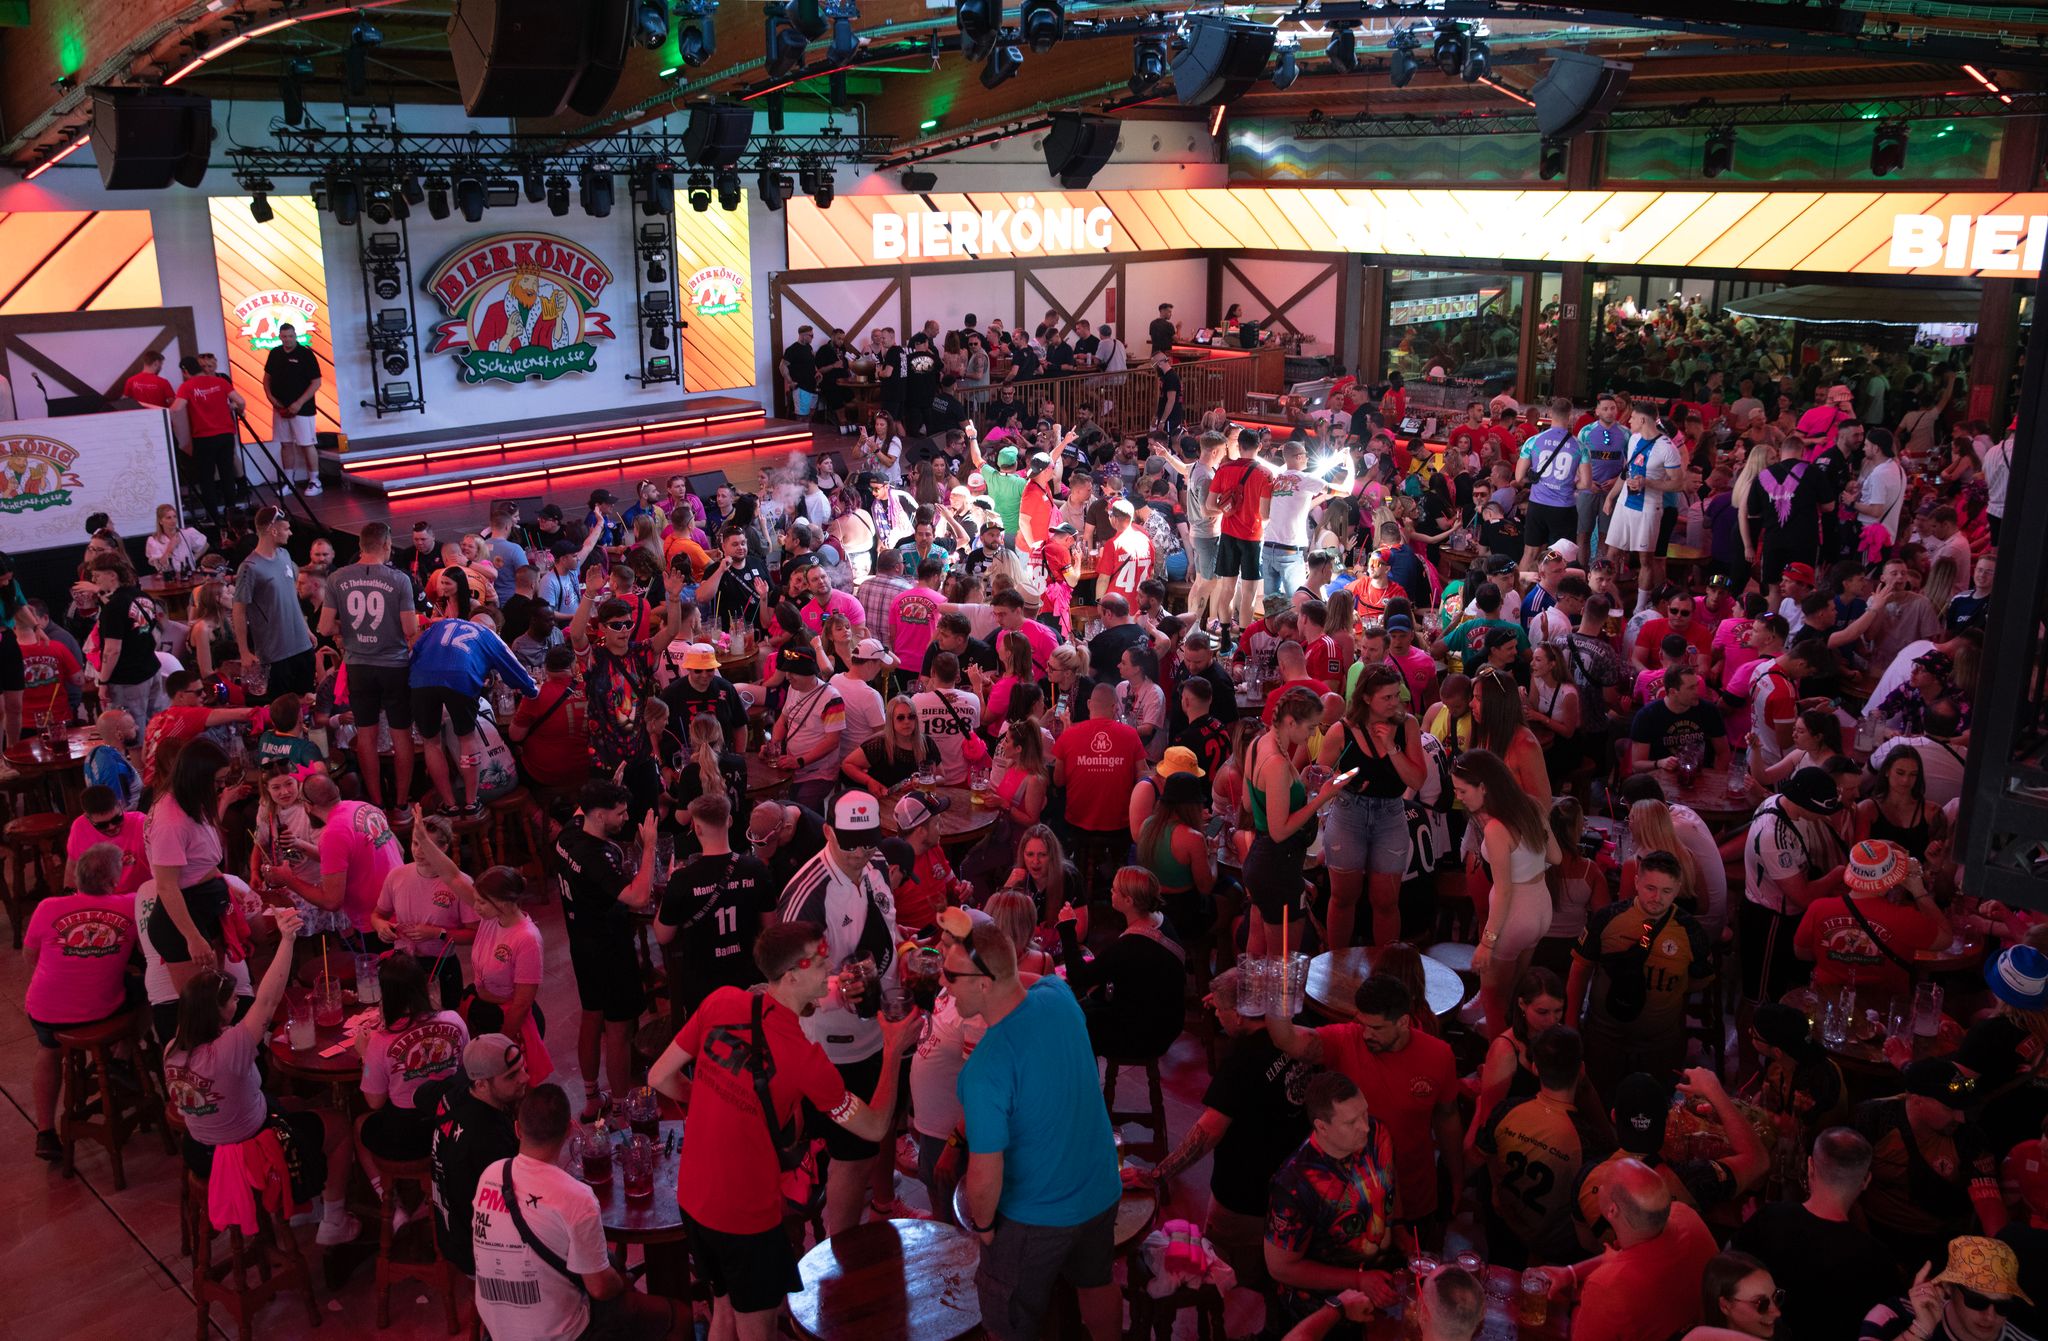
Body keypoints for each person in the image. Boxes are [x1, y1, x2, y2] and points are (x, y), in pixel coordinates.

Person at [649, 921, 918, 1341]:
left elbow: (660, 1076)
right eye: (820, 958)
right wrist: (893, 1049)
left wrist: (707, 1100)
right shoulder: (804, 1059)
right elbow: (876, 1126)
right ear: (792, 975)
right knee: (757, 1329)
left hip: (695, 1198)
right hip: (744, 1217)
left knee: (724, 1311)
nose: (831, 964)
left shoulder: (721, 1002)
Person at [945, 916, 1123, 1341]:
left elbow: (984, 1175)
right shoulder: (1058, 994)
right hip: (1100, 1191)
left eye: (951, 976)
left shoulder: (986, 1068)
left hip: (1036, 1218)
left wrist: (985, 1227)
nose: (944, 984)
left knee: (1007, 1317)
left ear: (984, 984)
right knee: (1097, 1282)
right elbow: (1023, 979)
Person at [166, 906, 364, 1246]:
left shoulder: (173, 1048)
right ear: (217, 1012)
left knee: (296, 1103)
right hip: (248, 1150)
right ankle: (334, 1220)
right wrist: (288, 939)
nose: (237, 1006)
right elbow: (269, 1000)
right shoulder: (228, 1049)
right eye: (230, 1002)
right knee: (339, 1127)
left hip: (199, 1150)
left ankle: (304, 1203)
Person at [1124, 965, 1311, 1291]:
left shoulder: (1241, 1064)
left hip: (1245, 1197)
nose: (1216, 1017)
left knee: (1236, 1274)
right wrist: (1228, 997)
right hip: (1293, 1179)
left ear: (1240, 1015)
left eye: (1222, 1011)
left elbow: (1208, 1131)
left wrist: (1156, 1175)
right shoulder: (1296, 1034)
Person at [774, 791, 903, 1236]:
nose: (862, 853)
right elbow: (782, 982)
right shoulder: (807, 893)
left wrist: (894, 994)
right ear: (827, 832)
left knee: (869, 1143)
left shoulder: (877, 866)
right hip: (826, 1049)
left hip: (873, 1035)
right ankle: (835, 1255)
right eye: (851, 843)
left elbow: (888, 930)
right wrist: (838, 989)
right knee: (850, 1158)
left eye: (869, 842)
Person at [470, 1083, 676, 1341]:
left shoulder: (491, 1174)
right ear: (569, 1130)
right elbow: (600, 1289)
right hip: (563, 1335)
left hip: (496, 1331)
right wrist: (622, 1282)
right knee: (677, 1316)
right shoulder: (576, 1197)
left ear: (517, 1130)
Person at [1266, 973, 1462, 1239]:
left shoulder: (1439, 1055)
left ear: (1403, 1022)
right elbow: (1286, 1040)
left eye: (1377, 1028)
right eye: (1362, 1024)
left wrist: (1457, 1175)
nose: (1366, 1034)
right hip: (1351, 1201)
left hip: (1415, 1190)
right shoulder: (1345, 1039)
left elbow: (1447, 1118)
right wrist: (1277, 992)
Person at [24, 843, 140, 1161]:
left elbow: (29, 957)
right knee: (143, 991)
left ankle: (45, 1132)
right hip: (101, 1013)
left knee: (48, 1050)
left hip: (46, 1009)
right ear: (112, 881)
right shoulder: (130, 906)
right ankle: (119, 1058)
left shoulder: (47, 907)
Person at [1568, 849, 1712, 1097]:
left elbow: (1698, 981)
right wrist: (1571, 1027)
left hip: (1658, 1048)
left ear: (1678, 889)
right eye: (1650, 888)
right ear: (1636, 882)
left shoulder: (1691, 932)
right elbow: (1580, 971)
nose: (1657, 898)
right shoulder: (1608, 919)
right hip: (1604, 1040)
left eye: (1666, 891)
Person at [1265, 1070, 1402, 1329]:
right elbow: (1280, 1268)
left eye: (1364, 1112)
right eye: (1351, 1122)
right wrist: (1359, 1280)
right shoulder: (1294, 1184)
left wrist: (1401, 1225)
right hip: (1323, 1308)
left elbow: (1390, 1181)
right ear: (1322, 1127)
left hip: (1378, 1284)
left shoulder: (1378, 1132)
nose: (1365, 1126)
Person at [554, 780, 659, 1120]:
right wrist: (649, 849)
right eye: (620, 813)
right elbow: (639, 897)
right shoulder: (594, 857)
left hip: (581, 943)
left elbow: (583, 806)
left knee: (591, 1014)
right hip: (609, 948)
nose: (626, 819)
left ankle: (590, 1096)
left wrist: (611, 784)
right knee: (618, 1028)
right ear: (598, 816)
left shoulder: (569, 833)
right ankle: (619, 1106)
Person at [1734, 1126, 1896, 1341]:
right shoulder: (1879, 1260)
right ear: (1866, 1180)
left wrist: (1755, 1223)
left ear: (1810, 1166)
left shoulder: (1769, 1219)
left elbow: (1727, 1273)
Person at [1474, 1023, 1611, 1266]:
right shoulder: (1588, 1140)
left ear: (1536, 1068)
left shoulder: (1507, 1109)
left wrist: (1496, 1190)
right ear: (1581, 1070)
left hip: (1505, 1228)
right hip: (1555, 1251)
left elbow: (1487, 1152)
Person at [1855, 1060, 2008, 1271]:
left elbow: (1991, 1208)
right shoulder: (1873, 1119)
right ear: (1917, 1101)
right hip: (1870, 1229)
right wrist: (1862, 1239)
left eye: (1962, 1108)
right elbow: (1842, 1181)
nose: (1961, 1118)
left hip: (1932, 1244)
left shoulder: (1969, 1138)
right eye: (1950, 1108)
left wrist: (2001, 1262)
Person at [1454, 747, 1560, 1038]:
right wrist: (1529, 862)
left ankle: (1497, 1059)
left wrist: (1487, 943)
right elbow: (1556, 857)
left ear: (1484, 787)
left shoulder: (1496, 829)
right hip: (1541, 910)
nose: (1459, 797)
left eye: (1463, 791)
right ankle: (1512, 1040)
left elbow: (1503, 890)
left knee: (1494, 999)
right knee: (1514, 990)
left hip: (1514, 916)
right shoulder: (1533, 805)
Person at [1559, 1157, 1719, 1341]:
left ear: (1612, 1210)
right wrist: (1570, 1273)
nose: (1599, 1187)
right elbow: (1625, 1258)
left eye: (1602, 1184)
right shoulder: (1685, 1215)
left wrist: (1578, 1305)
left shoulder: (1605, 1288)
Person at [409, 591, 538, 816]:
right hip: (461, 677)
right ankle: (471, 802)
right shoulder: (489, 636)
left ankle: (449, 803)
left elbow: (412, 654)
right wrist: (533, 691)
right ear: (495, 629)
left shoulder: (441, 625)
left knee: (432, 743)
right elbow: (516, 671)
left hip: (421, 680)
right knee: (466, 738)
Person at [320, 522, 420, 809]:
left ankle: (375, 801)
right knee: (401, 733)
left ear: (360, 546)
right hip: (394, 665)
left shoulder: (337, 578)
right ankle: (401, 804)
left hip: (358, 666)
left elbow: (325, 627)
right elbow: (410, 628)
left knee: (366, 732)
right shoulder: (399, 580)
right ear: (387, 545)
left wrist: (349, 625)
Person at [1246, 686, 1350, 957]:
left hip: (1261, 858)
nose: (1314, 734)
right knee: (1283, 962)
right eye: (1312, 727)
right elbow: (1279, 831)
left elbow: (1249, 803)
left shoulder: (1258, 744)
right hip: (1278, 863)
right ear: (1291, 722)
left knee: (1259, 952)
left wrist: (1297, 785)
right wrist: (1320, 798)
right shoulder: (1277, 763)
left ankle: (1256, 999)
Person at [354, 954, 468, 1195]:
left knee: (358, 1123)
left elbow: (374, 1102)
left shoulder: (379, 1042)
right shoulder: (455, 1020)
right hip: (453, 1123)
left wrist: (364, 1055)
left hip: (408, 1135)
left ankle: (387, 1197)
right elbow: (465, 1069)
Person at [655, 793, 772, 1017]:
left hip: (702, 986)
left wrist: (671, 886)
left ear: (696, 828)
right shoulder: (756, 869)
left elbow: (662, 936)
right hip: (749, 980)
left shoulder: (682, 880)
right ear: (729, 821)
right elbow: (770, 928)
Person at [1740, 767, 1847, 1008]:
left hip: (1785, 919)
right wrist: (1838, 874)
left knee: (1781, 994)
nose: (1825, 816)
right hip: (1769, 922)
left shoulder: (1781, 804)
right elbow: (1803, 897)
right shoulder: (1773, 835)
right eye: (1822, 811)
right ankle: (1750, 1043)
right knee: (1759, 1001)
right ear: (1807, 805)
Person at [1055, 866, 1186, 1061]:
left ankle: (1077, 1081)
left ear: (1128, 901)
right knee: (1081, 1009)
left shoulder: (1130, 946)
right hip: (1167, 1022)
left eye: (1115, 890)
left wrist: (1066, 927)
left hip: (1143, 1036)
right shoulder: (1161, 920)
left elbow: (1078, 975)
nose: (1110, 892)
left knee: (1066, 1025)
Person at [428, 1032, 530, 1278]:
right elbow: (520, 1204)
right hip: (484, 1256)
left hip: (452, 1234)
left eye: (522, 1068)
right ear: (482, 1083)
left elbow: (422, 1094)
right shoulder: (487, 1138)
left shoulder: (455, 1095)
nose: (525, 1078)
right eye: (512, 1076)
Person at [1795, 838, 1947, 1002]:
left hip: (1826, 1002)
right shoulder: (1904, 918)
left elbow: (1802, 953)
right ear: (1892, 878)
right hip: (1883, 1009)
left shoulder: (1818, 908)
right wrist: (1919, 892)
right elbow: (1946, 939)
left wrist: (1840, 960)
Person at [1861, 1236, 2036, 1341]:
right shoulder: (1892, 1317)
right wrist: (1920, 1329)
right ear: (1948, 1288)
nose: (1990, 1315)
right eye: (1977, 1301)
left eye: (2002, 1306)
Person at [233, 505, 317, 702]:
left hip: (301, 646)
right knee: (282, 708)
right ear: (273, 530)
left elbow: (291, 596)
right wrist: (244, 652)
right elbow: (239, 611)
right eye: (287, 528)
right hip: (275, 652)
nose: (291, 532)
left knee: (307, 701)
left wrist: (305, 629)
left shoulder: (285, 556)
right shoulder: (249, 568)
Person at [88, 552, 166, 733]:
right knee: (156, 727)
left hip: (128, 679)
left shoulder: (113, 608)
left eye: (97, 575)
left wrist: (103, 681)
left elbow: (112, 650)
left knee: (132, 732)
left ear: (112, 575)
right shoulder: (142, 596)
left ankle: (138, 762)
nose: (94, 579)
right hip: (151, 669)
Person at [264, 322, 322, 494]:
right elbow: (267, 378)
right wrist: (270, 397)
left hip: (302, 409)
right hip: (280, 408)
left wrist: (299, 403)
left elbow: (316, 382)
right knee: (286, 444)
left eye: (290, 336)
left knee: (306, 444)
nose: (287, 339)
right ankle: (289, 481)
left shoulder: (306, 354)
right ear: (280, 336)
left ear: (295, 336)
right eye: (284, 336)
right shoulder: (274, 353)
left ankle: (315, 481)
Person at [1686, 1252, 1783, 1341]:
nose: (1777, 1313)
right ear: (1725, 1306)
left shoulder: (1780, 1332)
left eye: (1777, 1297)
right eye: (1761, 1304)